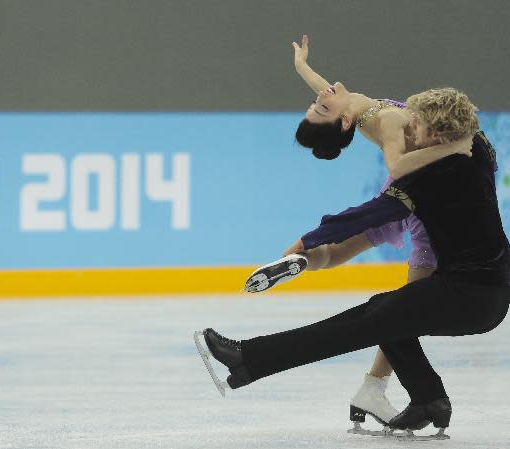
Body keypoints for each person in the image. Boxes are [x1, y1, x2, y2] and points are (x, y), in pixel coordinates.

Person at [201, 87, 510, 437]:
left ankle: (247, 358)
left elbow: (369, 215)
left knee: (358, 325)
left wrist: (309, 239)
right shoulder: (477, 150)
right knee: (384, 314)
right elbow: (463, 127)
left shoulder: (431, 175)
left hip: (468, 294)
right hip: (489, 292)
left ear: (437, 136)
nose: (410, 131)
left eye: (418, 127)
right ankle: (428, 399)